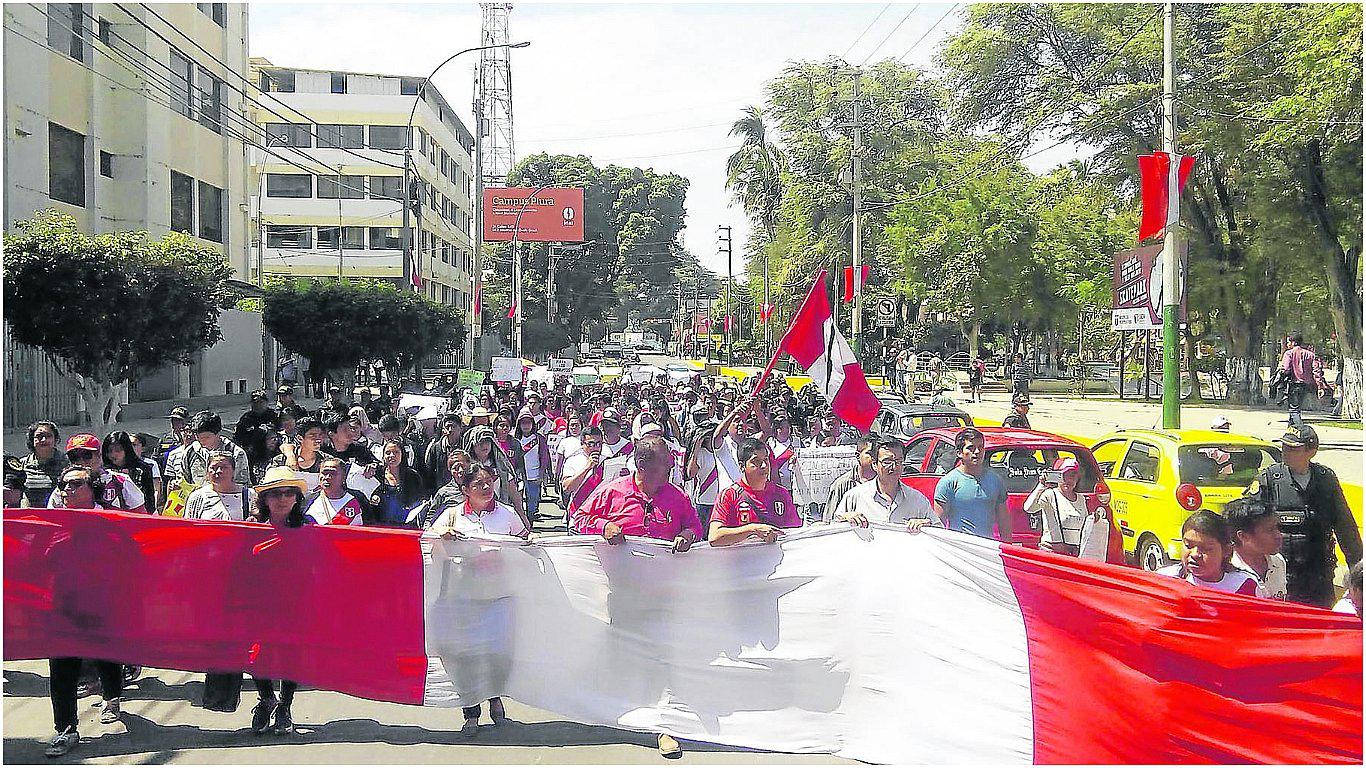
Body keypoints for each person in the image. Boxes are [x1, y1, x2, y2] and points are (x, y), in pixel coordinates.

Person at [567, 436, 703, 758]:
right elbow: (579, 519)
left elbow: (696, 527)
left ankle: (663, 726)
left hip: (664, 596)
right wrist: (604, 526)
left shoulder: (677, 497)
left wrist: (686, 535)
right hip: (623, 595)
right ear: (642, 466)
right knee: (624, 655)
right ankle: (624, 712)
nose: (670, 469)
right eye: (663, 465)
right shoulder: (612, 492)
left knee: (662, 659)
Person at [427, 464, 528, 736]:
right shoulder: (451, 516)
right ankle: (471, 712)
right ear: (465, 490)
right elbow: (429, 544)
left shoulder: (507, 514)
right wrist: (443, 538)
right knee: (465, 656)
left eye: (488, 482)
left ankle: (495, 696)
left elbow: (523, 540)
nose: (486, 488)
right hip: (463, 597)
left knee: (498, 653)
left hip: (499, 595)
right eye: (478, 484)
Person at [42, 465, 128, 757]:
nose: (67, 489)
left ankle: (112, 696)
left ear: (93, 489)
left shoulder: (109, 519)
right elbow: (42, 557)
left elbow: (127, 555)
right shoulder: (53, 521)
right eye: (64, 484)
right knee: (62, 667)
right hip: (63, 604)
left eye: (76, 484)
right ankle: (66, 729)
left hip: (101, 602)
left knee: (106, 656)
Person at [1243, 424, 1362, 608]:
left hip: (1319, 576)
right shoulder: (1270, 479)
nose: (1286, 452)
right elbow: (1246, 520)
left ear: (1311, 451)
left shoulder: (1325, 479)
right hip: (1282, 576)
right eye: (1284, 447)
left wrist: (1358, 571)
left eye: (1293, 448)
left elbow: (1346, 528)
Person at [248, 467, 312, 734]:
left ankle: (285, 705)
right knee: (255, 655)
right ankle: (266, 697)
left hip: (295, 605)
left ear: (297, 498)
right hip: (259, 604)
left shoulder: (310, 530)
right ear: (265, 499)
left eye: (288, 493)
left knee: (290, 655)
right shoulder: (251, 530)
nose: (282, 499)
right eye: (275, 493)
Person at [708, 438, 802, 546]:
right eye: (756, 462)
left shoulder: (781, 494)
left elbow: (795, 531)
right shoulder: (729, 495)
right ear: (742, 466)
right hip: (742, 561)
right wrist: (753, 529)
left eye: (766, 460)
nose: (764, 466)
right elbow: (714, 537)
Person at [832, 438, 936, 529]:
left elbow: (940, 533)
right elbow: (833, 529)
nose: (894, 467)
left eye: (899, 461)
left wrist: (927, 525)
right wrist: (845, 518)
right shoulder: (855, 497)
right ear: (874, 465)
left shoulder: (917, 500)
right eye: (887, 462)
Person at [932, 428, 1011, 541]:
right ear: (959, 453)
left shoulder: (995, 480)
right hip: (960, 550)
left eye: (980, 447)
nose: (977, 452)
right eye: (971, 448)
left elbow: (1004, 521)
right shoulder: (948, 483)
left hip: (987, 550)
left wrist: (1007, 550)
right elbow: (939, 524)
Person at [1157, 511, 1260, 596]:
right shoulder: (1164, 580)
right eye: (1188, 545)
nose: (1195, 554)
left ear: (1226, 551)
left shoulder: (1244, 586)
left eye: (1206, 548)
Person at [1024, 457, 1104, 558]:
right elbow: (1029, 508)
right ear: (1057, 476)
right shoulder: (1050, 495)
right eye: (1064, 475)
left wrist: (1094, 519)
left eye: (1073, 475)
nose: (1069, 479)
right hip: (1051, 553)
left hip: (1074, 554)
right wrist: (1041, 485)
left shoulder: (1081, 499)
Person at [52, 434, 147, 514]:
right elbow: (52, 518)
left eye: (86, 455)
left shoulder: (120, 481)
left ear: (99, 456)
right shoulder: (64, 486)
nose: (80, 461)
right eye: (74, 457)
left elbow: (141, 517)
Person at [1225, 497, 1287, 601]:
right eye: (1270, 530)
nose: (1279, 535)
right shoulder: (1225, 570)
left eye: (1276, 528)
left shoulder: (1278, 561)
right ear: (1243, 536)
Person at [179, 411, 251, 489]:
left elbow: (242, 485)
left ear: (218, 433)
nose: (201, 441)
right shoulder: (190, 452)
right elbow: (184, 481)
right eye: (198, 437)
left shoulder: (235, 453)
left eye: (206, 437)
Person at [369, 439, 426, 527]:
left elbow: (419, 502)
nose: (392, 456)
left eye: (396, 452)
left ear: (402, 454)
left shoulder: (413, 476)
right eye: (388, 453)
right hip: (380, 527)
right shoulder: (376, 474)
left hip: (407, 527)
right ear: (383, 456)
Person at [183, 452, 255, 521]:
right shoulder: (197, 496)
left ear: (233, 471)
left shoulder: (249, 495)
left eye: (224, 467)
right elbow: (189, 526)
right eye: (214, 467)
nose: (218, 471)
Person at [822, 435, 878, 522]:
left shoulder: (884, 483)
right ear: (857, 456)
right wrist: (845, 517)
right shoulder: (841, 484)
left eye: (877, 454)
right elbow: (830, 520)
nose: (874, 458)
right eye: (870, 453)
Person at [303, 457, 370, 526]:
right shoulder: (308, 500)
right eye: (324, 473)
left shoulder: (358, 499)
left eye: (333, 473)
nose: (327, 477)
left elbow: (372, 527)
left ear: (343, 477)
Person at [17, 420, 67, 508]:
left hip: (58, 514)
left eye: (48, 436)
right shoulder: (22, 464)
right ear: (32, 440)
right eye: (39, 436)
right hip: (30, 514)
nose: (43, 440)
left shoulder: (66, 463)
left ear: (55, 440)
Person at [102, 431, 156, 511]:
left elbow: (149, 499)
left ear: (126, 449)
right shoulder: (104, 471)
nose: (113, 455)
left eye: (118, 450)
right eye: (110, 451)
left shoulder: (142, 469)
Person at [513, 411, 551, 521]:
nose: (525, 426)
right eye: (523, 423)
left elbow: (544, 457)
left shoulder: (539, 439)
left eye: (528, 423)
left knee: (533, 499)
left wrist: (542, 473)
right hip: (518, 475)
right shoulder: (515, 440)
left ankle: (531, 518)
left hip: (534, 474)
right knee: (518, 499)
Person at [1278, 334, 1317, 427]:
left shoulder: (1289, 353)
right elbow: (1316, 370)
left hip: (1294, 384)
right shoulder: (1311, 355)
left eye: (1288, 342)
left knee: (1294, 409)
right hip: (1306, 385)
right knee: (1296, 407)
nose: (1287, 344)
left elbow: (1286, 369)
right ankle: (1291, 430)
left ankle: (1300, 428)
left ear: (1294, 342)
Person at [424, 414, 466, 490]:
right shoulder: (436, 448)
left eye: (453, 427)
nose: (450, 430)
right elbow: (429, 471)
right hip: (442, 489)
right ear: (443, 430)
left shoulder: (466, 445)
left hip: (463, 488)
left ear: (460, 428)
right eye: (447, 427)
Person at [129, 433, 164, 513]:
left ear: (142, 448)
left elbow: (156, 489)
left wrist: (151, 508)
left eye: (134, 445)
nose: (130, 448)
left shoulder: (151, 464)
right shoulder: (121, 466)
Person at [155, 406, 191, 471]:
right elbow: (155, 458)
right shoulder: (165, 439)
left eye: (178, 420)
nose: (174, 422)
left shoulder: (192, 438)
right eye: (173, 419)